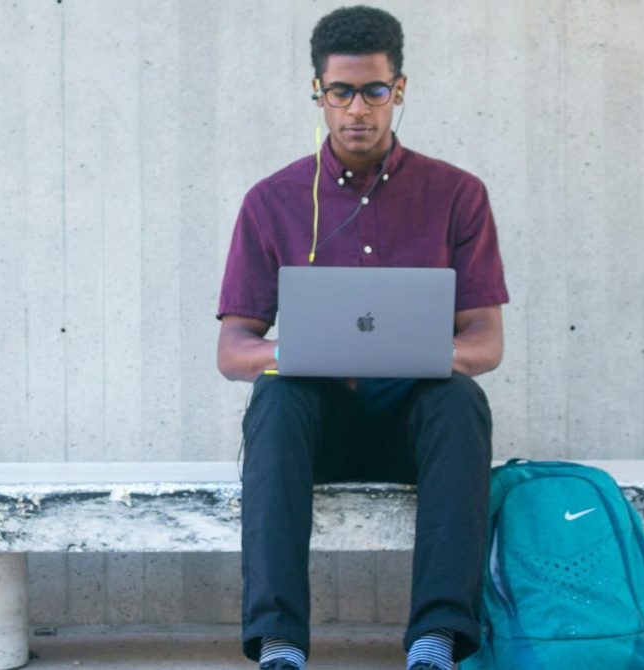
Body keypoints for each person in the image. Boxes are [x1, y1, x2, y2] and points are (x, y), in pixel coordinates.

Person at [214, 6, 509, 670]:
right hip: (318, 432)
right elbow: (234, 350)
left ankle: (437, 641)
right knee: (275, 399)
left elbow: (485, 343)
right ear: (317, 92)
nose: (357, 110)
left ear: (398, 90)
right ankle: (279, 643)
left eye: (374, 91)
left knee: (459, 401)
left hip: (415, 428)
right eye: (340, 92)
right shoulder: (273, 201)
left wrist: (413, 354)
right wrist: (308, 351)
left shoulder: (457, 194)